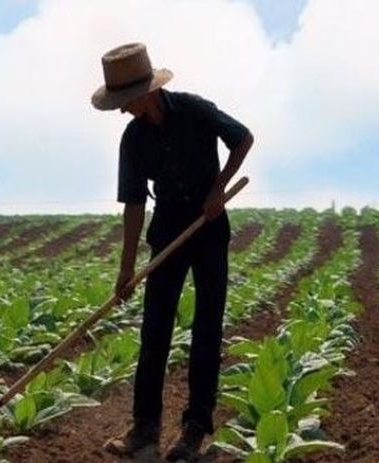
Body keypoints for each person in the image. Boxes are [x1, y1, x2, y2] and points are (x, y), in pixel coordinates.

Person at [90, 43, 253, 461]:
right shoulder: (133, 138)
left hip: (208, 226)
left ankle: (194, 430)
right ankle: (144, 431)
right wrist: (125, 270)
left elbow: (243, 138)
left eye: (125, 102)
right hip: (167, 232)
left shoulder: (195, 110)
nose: (122, 110)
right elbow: (133, 205)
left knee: (206, 329)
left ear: (144, 93)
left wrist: (218, 189)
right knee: (155, 331)